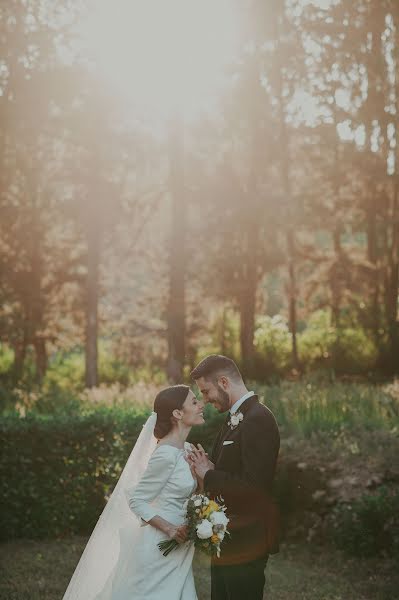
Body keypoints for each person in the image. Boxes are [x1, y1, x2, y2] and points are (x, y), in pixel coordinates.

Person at [62, 385, 204, 600]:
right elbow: (138, 500)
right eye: (194, 402)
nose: (201, 405)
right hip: (160, 546)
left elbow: (191, 496)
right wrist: (170, 529)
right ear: (177, 413)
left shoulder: (188, 450)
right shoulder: (165, 454)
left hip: (181, 546)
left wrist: (203, 477)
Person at [188, 355, 280, 600]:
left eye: (206, 391)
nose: (205, 400)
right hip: (226, 537)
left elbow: (254, 488)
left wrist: (209, 474)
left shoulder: (258, 419)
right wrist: (208, 469)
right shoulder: (232, 419)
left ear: (224, 382)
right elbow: (232, 472)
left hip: (248, 541)